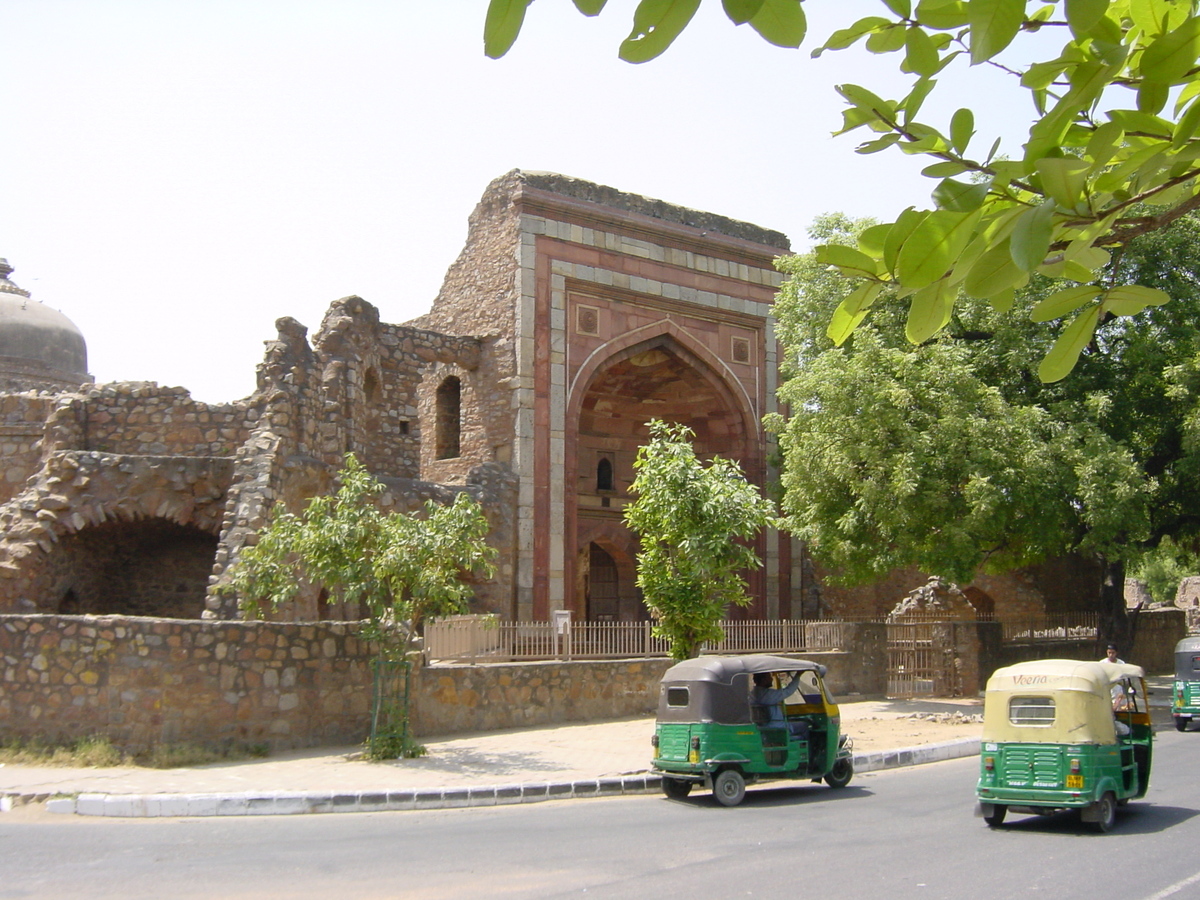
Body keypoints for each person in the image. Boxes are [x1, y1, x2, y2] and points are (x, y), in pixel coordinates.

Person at [750, 671, 806, 737]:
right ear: (763, 680)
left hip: (760, 728)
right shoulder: (768, 695)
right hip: (776, 727)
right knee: (804, 725)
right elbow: (789, 690)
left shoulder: (751, 695)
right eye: (769, 677)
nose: (771, 679)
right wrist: (798, 675)